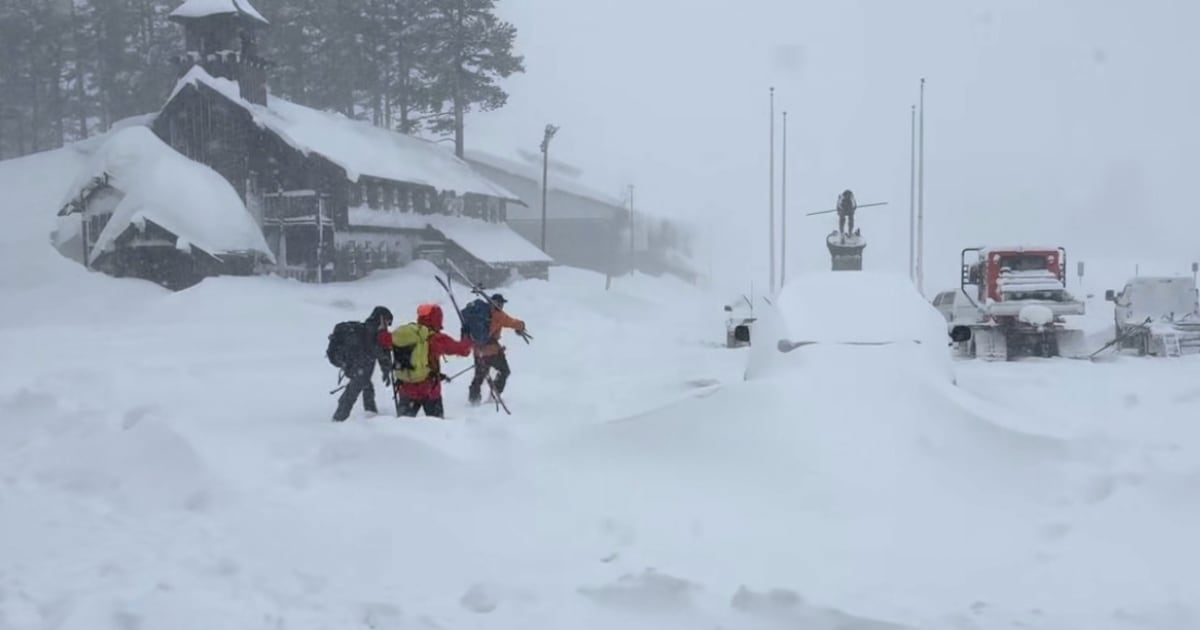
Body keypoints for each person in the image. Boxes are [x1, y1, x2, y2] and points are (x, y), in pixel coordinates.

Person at [393, 303, 473, 418]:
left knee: (402, 427)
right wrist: (466, 336)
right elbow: (464, 350)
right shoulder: (436, 339)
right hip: (430, 391)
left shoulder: (409, 335)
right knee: (437, 429)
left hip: (406, 388)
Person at [331, 306, 394, 422]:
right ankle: (339, 419)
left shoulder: (369, 329)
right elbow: (375, 350)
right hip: (358, 366)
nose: (387, 326)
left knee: (366, 386)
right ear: (381, 318)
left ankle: (369, 414)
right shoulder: (372, 329)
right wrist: (386, 363)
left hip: (358, 365)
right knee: (354, 390)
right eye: (387, 322)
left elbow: (377, 350)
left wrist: (385, 368)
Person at [468, 293, 527, 406]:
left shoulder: (480, 313)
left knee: (479, 377)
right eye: (502, 303)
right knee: (504, 371)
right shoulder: (498, 315)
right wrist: (522, 325)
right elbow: (512, 322)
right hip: (492, 351)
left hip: (478, 351)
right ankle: (494, 396)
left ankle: (473, 401)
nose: (502, 306)